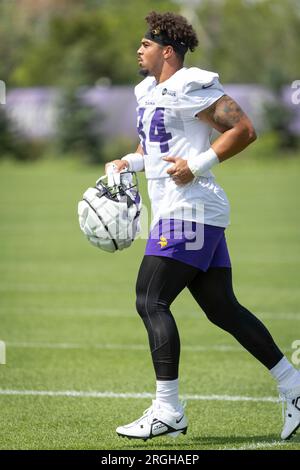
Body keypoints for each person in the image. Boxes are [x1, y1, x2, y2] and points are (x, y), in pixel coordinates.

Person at [105, 11, 300, 441]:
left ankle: (168, 409)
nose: (139, 49)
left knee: (150, 299)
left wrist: (198, 164)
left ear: (167, 51)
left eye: (147, 43)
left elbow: (244, 130)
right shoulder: (148, 90)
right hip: (184, 209)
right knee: (222, 308)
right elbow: (154, 149)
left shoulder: (190, 84)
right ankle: (295, 386)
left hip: (188, 209)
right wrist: (127, 162)